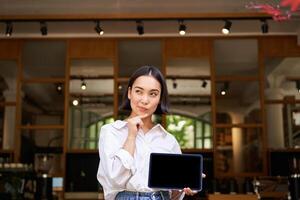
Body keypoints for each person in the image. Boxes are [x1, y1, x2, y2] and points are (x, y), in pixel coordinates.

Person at [97, 66, 199, 200]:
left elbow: (174, 195)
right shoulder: (111, 131)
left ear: (160, 98)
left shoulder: (168, 140)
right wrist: (131, 136)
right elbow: (114, 180)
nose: (145, 100)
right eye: (139, 91)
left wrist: (184, 187)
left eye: (153, 94)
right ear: (129, 93)